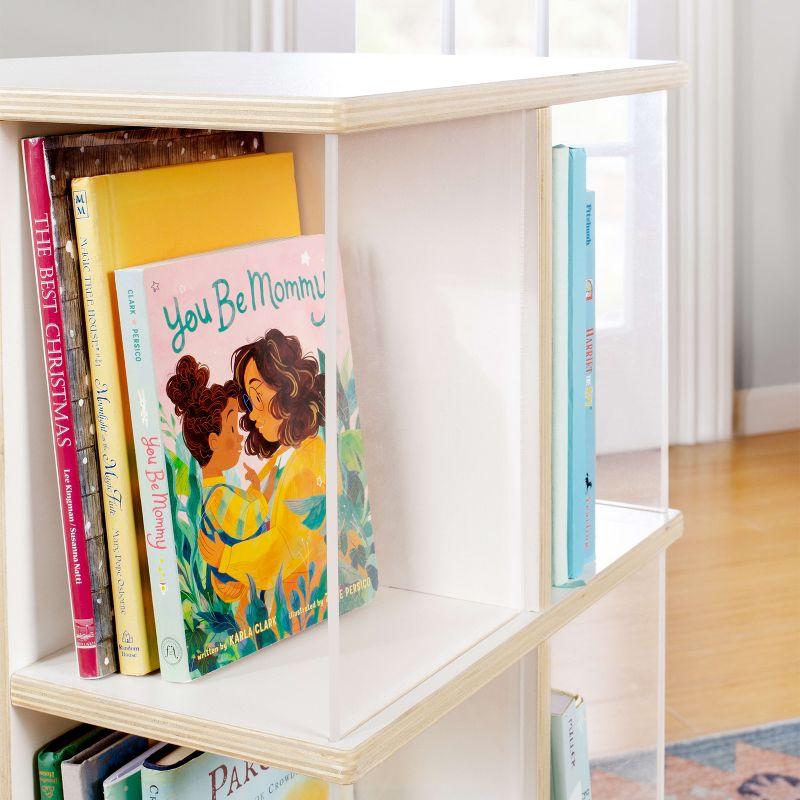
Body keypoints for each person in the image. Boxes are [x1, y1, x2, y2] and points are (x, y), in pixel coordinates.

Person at [197, 329, 327, 623]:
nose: (252, 415)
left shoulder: (310, 459)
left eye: (257, 397)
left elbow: (284, 547)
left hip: (301, 604)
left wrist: (227, 559)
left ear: (286, 390)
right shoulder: (279, 459)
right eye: (249, 400)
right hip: (276, 608)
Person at [165, 354, 275, 628]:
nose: (239, 436)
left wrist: (255, 488)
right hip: (238, 585)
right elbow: (250, 516)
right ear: (214, 441)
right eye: (231, 428)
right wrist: (263, 492)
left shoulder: (218, 494)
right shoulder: (217, 498)